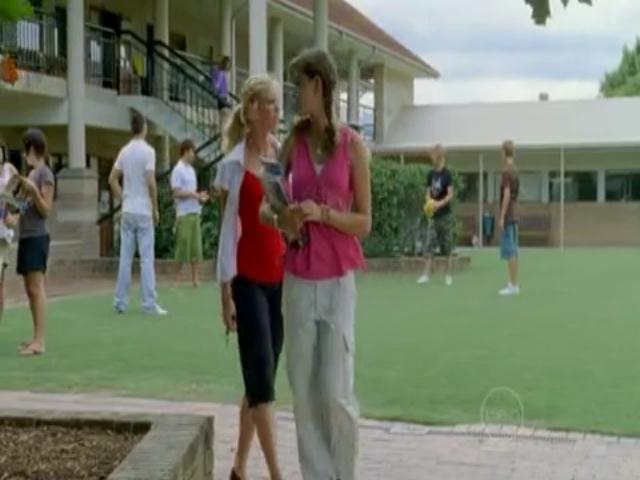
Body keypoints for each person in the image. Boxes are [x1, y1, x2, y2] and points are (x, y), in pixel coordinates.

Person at [264, 48, 371, 480]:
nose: (295, 94)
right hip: (298, 278)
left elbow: (364, 221)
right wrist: (284, 217)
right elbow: (270, 202)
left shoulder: (353, 146)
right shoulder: (293, 142)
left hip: (338, 282)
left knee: (336, 391)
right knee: (304, 392)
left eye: (300, 85)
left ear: (319, 85)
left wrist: (324, 213)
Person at [214, 75, 290, 480]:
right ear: (254, 110)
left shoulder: (280, 156)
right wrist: (224, 294)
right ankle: (277, 474)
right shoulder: (231, 165)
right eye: (271, 104)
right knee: (261, 381)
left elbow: (286, 216)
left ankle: (239, 470)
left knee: (260, 381)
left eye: (278, 104)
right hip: (246, 281)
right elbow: (227, 233)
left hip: (280, 279)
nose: (277, 111)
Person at [109, 112, 167, 315]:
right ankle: (149, 303)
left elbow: (112, 179)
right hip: (143, 210)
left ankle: (120, 301)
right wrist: (155, 207)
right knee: (146, 258)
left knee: (125, 258)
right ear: (144, 128)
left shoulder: (124, 151)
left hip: (128, 209)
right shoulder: (148, 151)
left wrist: (123, 197)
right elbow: (151, 182)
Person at [13, 128, 55, 356]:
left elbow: (46, 209)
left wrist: (34, 192)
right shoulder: (30, 175)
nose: (25, 154)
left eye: (27, 149)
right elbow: (21, 208)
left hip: (38, 236)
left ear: (34, 149)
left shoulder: (45, 174)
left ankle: (40, 340)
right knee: (30, 289)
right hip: (26, 236)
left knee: (37, 288)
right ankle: (35, 337)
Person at [170, 139, 208, 287]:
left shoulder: (191, 170)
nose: (193, 154)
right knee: (182, 245)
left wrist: (199, 196)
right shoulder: (177, 169)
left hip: (195, 211)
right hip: (183, 213)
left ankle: (195, 279)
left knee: (195, 247)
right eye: (192, 151)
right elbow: (176, 192)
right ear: (185, 151)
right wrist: (193, 195)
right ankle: (175, 279)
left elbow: (193, 192)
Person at [417, 144, 455, 286]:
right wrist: (429, 202)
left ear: (440, 157)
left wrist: (439, 203)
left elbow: (450, 194)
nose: (432, 159)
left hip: (445, 216)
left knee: (447, 247)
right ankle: (426, 275)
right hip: (433, 218)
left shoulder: (447, 174)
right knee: (429, 246)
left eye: (434, 156)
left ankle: (448, 275)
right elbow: (427, 192)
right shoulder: (431, 174)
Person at [498, 140, 520, 296]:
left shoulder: (506, 171)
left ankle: (513, 285)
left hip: (509, 215)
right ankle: (514, 283)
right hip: (515, 213)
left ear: (504, 152)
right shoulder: (515, 170)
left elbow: (506, 194)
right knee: (514, 251)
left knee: (510, 251)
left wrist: (501, 216)